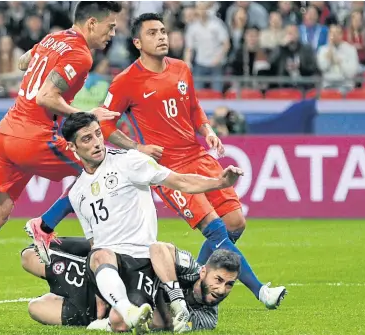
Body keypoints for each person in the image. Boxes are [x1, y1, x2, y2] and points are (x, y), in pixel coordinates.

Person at [0, 1, 123, 324]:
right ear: (92, 23)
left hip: (7, 131)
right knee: (96, 167)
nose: (113, 33)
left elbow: (25, 61)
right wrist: (87, 114)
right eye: (110, 27)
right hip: (32, 135)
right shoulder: (81, 55)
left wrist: (44, 64)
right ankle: (45, 225)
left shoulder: (54, 38)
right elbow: (46, 98)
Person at [99, 13, 286, 309]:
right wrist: (138, 146)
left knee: (236, 223)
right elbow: (106, 126)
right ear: (137, 42)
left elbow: (194, 108)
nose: (161, 37)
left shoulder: (181, 68)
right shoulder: (125, 82)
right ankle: (261, 290)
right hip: (168, 170)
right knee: (216, 230)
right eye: (152, 33)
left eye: (163, 31)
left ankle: (191, 287)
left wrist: (208, 131)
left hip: (198, 155)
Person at [55, 111, 244, 333]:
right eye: (87, 139)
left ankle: (146, 310)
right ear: (72, 147)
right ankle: (117, 310)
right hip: (111, 266)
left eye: (98, 134)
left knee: (122, 322)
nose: (97, 143)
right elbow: (95, 242)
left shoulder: (129, 161)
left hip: (141, 262)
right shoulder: (77, 192)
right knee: (35, 281)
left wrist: (219, 182)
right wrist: (100, 290)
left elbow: (180, 181)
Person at [20, 238, 240, 332]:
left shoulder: (208, 318)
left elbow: (160, 322)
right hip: (118, 274)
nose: (222, 290)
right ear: (204, 272)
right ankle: (96, 245)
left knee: (36, 308)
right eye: (218, 280)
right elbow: (157, 248)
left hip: (102, 310)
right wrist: (177, 299)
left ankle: (105, 320)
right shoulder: (191, 268)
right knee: (29, 257)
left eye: (229, 285)